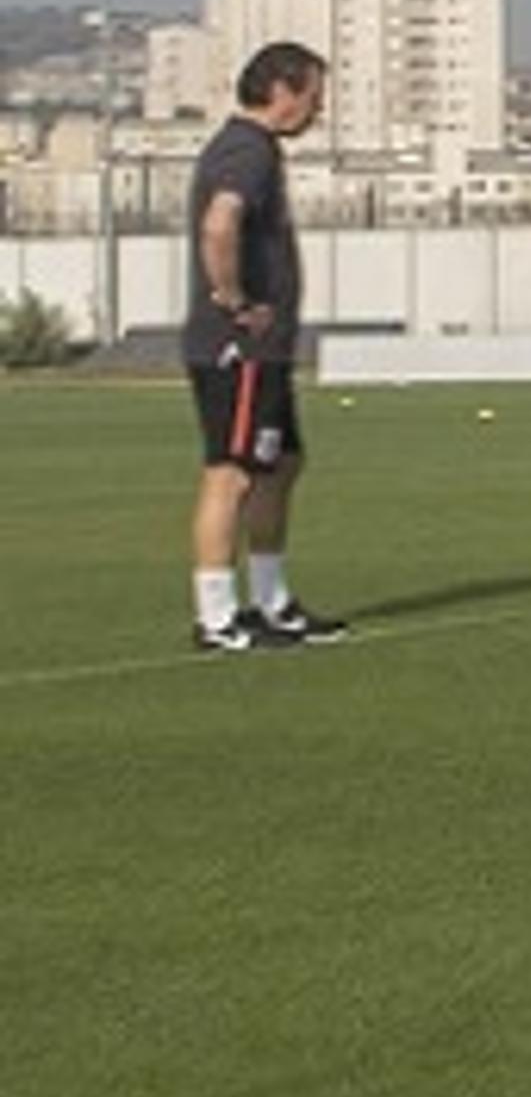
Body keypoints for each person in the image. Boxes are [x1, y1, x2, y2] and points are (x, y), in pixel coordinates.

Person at [181, 42, 339, 653]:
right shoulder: (246, 151)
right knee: (233, 474)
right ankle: (218, 618)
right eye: (313, 98)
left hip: (264, 351)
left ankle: (273, 603)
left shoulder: (255, 149)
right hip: (237, 349)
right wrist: (234, 300)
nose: (316, 111)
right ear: (281, 90)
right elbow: (220, 223)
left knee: (282, 463)